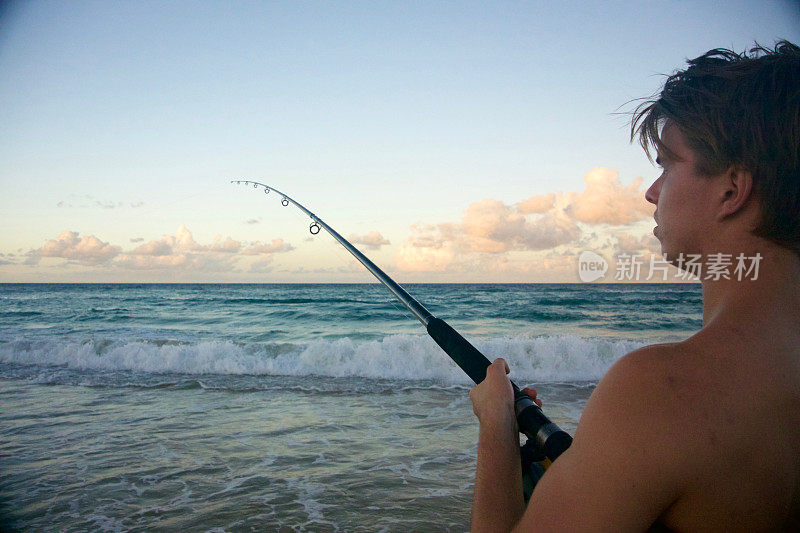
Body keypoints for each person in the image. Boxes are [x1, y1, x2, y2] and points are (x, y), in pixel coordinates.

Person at [469, 40, 800, 531]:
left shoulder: (659, 392)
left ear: (732, 189)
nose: (651, 191)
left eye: (666, 164)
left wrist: (497, 427)